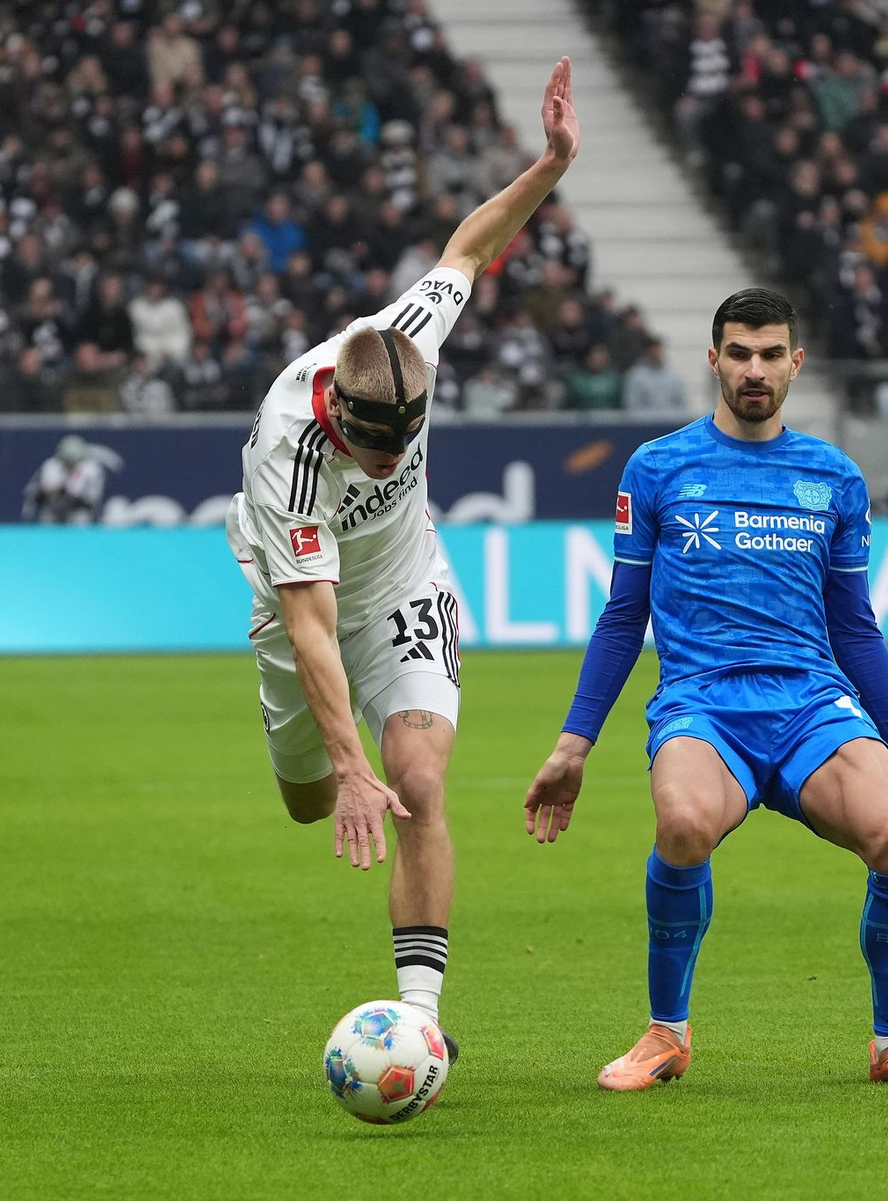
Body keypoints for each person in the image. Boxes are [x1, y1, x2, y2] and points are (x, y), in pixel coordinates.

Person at [525, 288, 888, 1090]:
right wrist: (572, 744)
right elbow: (623, 617)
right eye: (739, 353)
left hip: (811, 705)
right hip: (702, 704)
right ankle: (666, 1033)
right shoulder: (657, 468)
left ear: (796, 363)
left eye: (770, 354)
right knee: (683, 823)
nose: (754, 370)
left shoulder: (834, 477)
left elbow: (856, 628)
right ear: (714, 360)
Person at [225, 59, 580, 1062]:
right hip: (303, 611)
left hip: (406, 585)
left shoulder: (409, 337)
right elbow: (310, 623)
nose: (390, 461)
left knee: (418, 778)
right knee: (308, 802)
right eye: (373, 448)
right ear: (337, 410)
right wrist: (345, 766)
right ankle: (319, 759)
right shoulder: (288, 452)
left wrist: (550, 165)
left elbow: (469, 246)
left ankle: (418, 1019)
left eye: (404, 445)